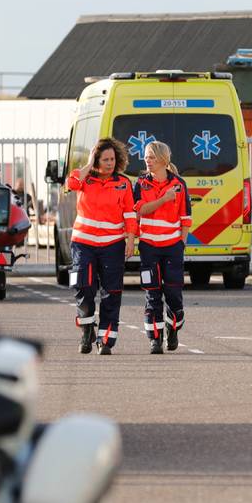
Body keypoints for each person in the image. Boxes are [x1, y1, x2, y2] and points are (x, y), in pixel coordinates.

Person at [66, 137, 137, 355]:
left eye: (112, 159)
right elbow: (71, 184)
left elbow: (129, 213)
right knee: (83, 287)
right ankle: (87, 330)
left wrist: (131, 239)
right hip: (83, 244)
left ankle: (105, 339)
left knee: (111, 292)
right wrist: (89, 163)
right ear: (96, 160)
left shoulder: (123, 183)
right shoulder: (85, 179)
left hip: (112, 245)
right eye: (105, 159)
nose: (109, 163)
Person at [133, 141, 192, 354]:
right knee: (152, 294)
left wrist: (180, 244)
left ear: (163, 160)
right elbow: (141, 211)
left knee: (174, 294)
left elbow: (186, 219)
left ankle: (173, 327)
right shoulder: (140, 184)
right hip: (149, 247)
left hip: (172, 248)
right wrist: (164, 198)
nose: (147, 161)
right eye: (146, 157)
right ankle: (155, 340)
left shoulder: (179, 184)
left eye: (152, 157)